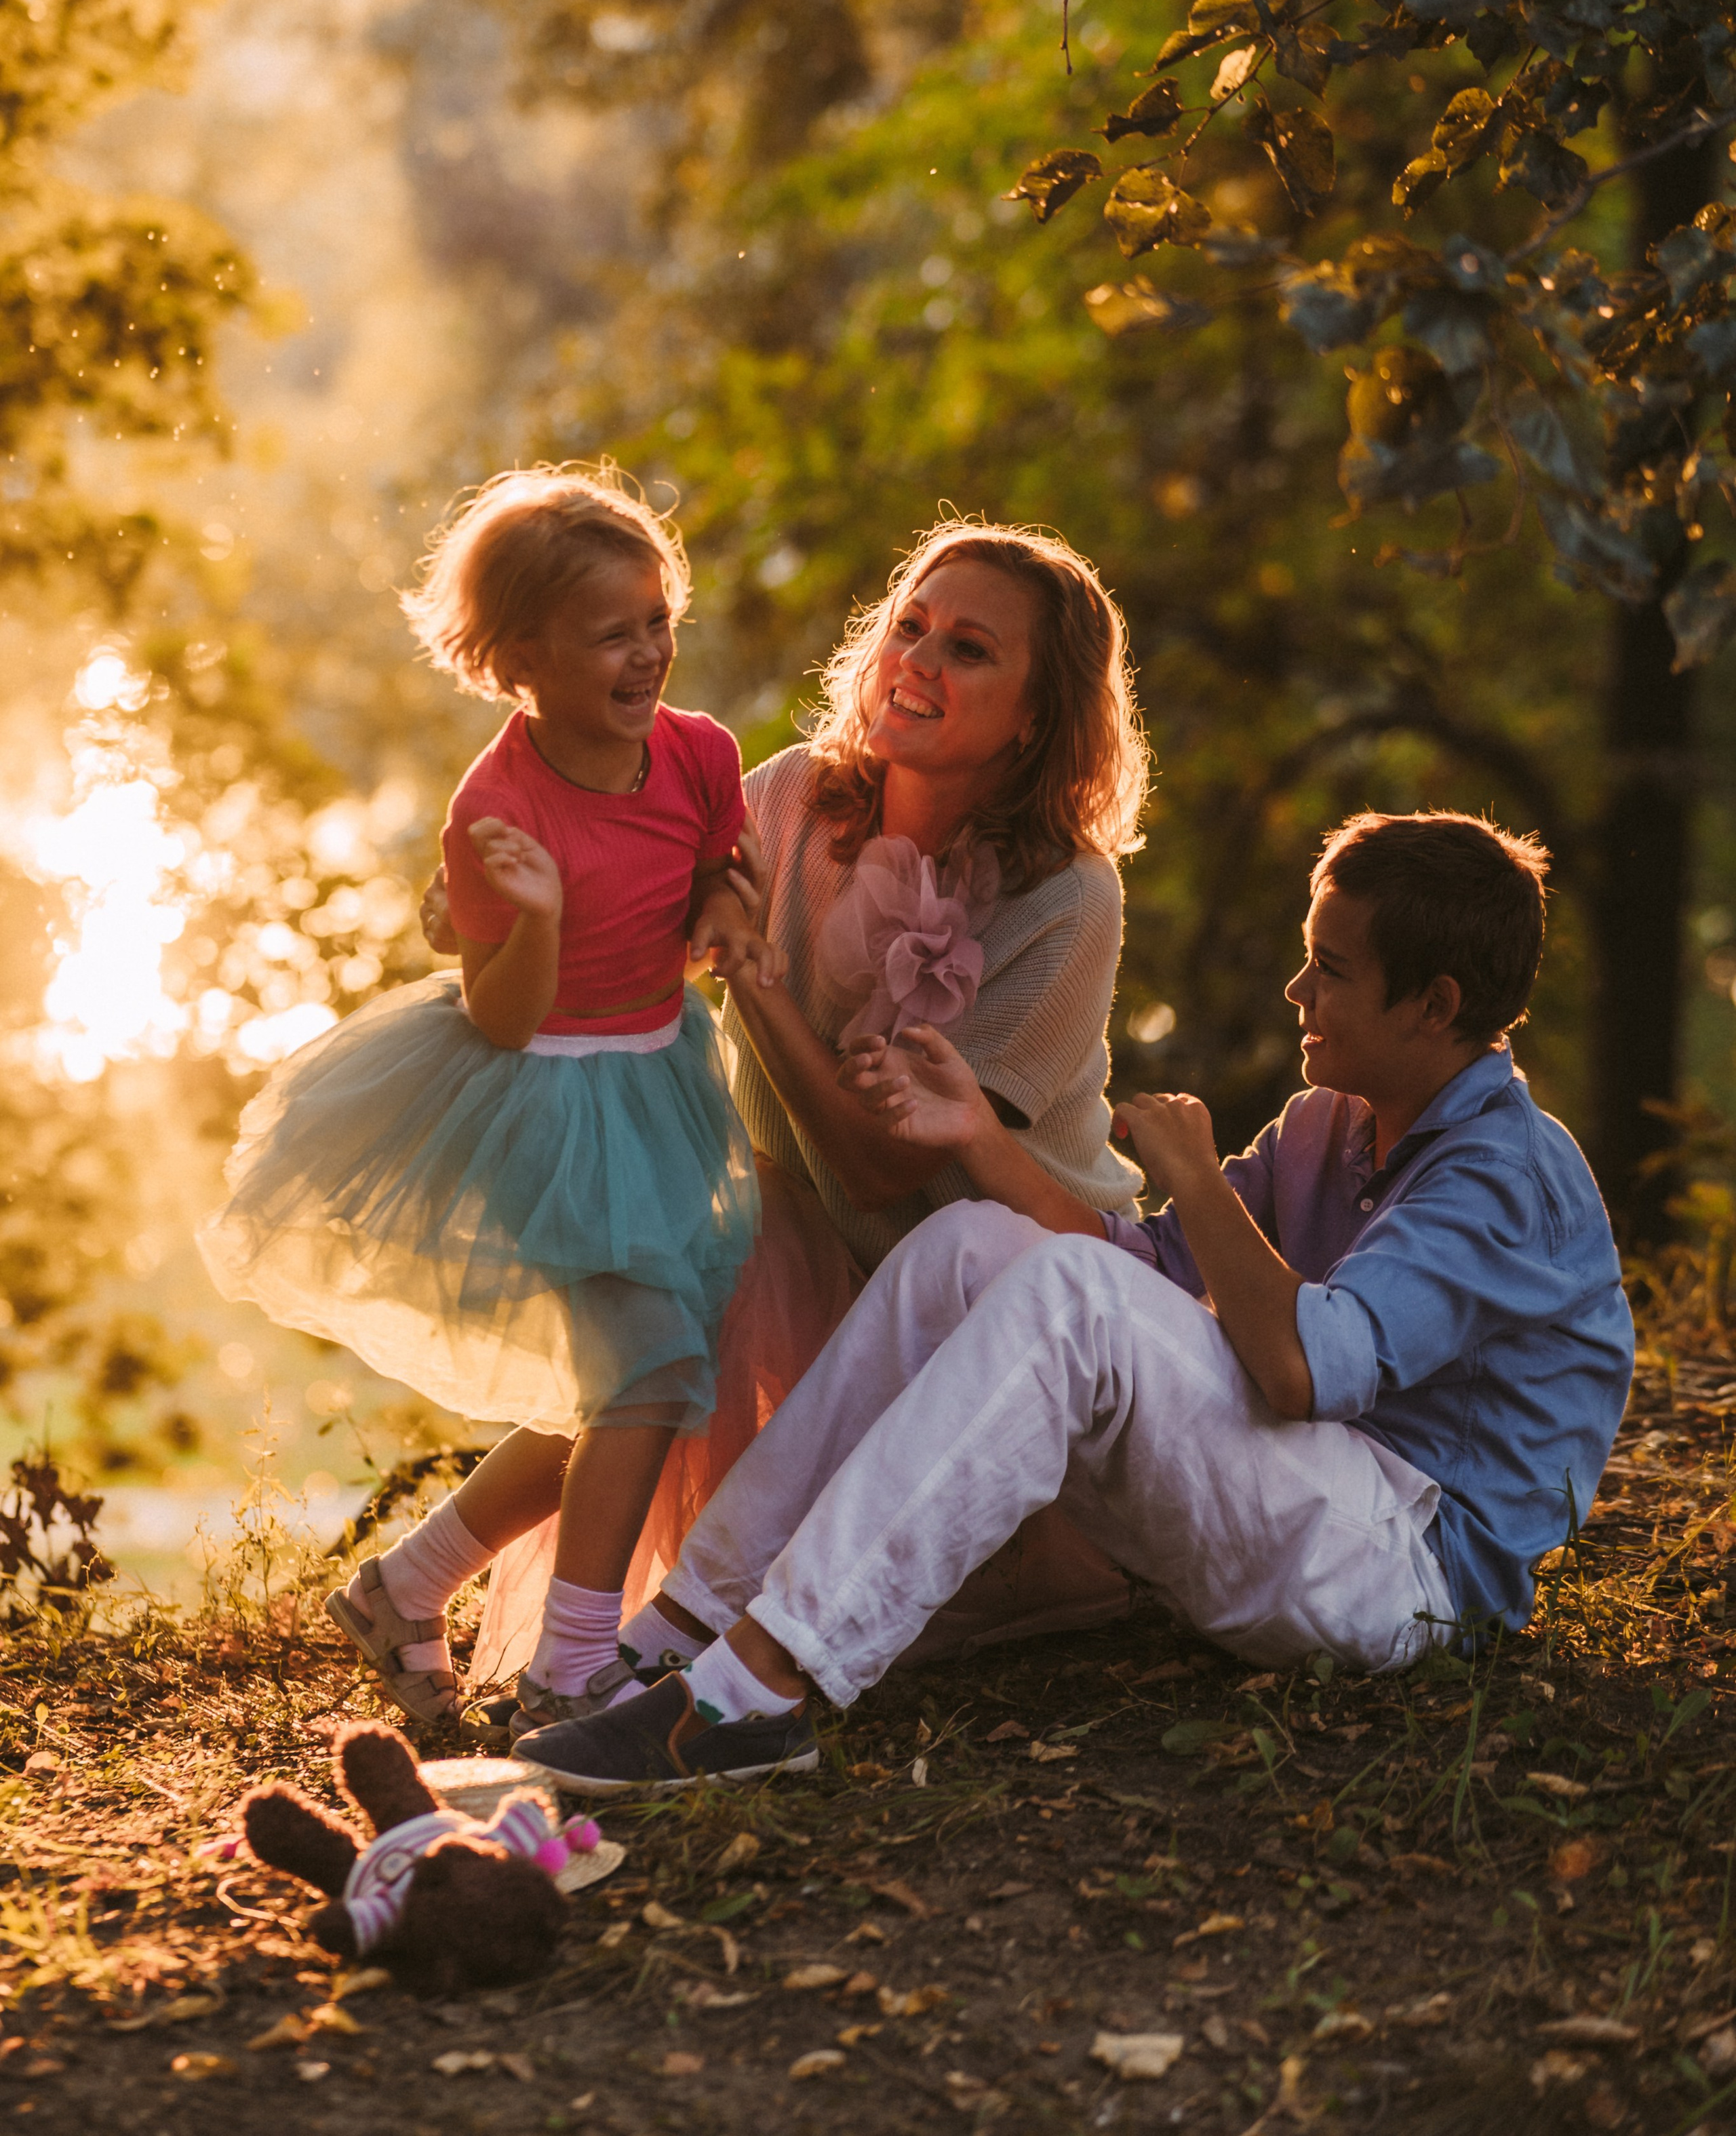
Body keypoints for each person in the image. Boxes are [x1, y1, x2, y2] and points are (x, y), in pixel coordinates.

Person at [505, 810, 1636, 1793]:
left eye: (1331, 968)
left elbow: (1303, 1372)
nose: (1299, 990)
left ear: (1434, 1004)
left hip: (1410, 1567)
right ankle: (679, 1635)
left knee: (1071, 1300)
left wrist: (1197, 1174)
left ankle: (756, 1694)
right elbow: (1138, 1265)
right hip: (1311, 1497)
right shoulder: (1326, 1125)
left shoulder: (1504, 1177)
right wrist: (979, 1139)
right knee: (969, 1246)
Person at [467, 517, 1154, 1702]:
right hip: (805, 1249)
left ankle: (602, 1641)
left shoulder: (1067, 896)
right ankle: (437, 1587)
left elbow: (889, 1172)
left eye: (971, 649)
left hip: (985, 1286)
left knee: (734, 1250)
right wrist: (502, 907)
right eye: (911, 626)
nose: (918, 662)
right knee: (696, 1245)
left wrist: (757, 982)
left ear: (1038, 713)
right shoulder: (785, 799)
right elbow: (628, 921)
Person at [199, 463, 781, 1728]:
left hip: (660, 1079)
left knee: (634, 1378)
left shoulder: (697, 754)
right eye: (609, 633)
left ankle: (405, 1586)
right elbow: (502, 1015)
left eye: (656, 619)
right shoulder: (498, 809)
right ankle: (573, 1668)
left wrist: (730, 905)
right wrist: (544, 914)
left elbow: (713, 866)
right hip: (543, 1102)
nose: (646, 654)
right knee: (643, 1377)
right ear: (521, 657)